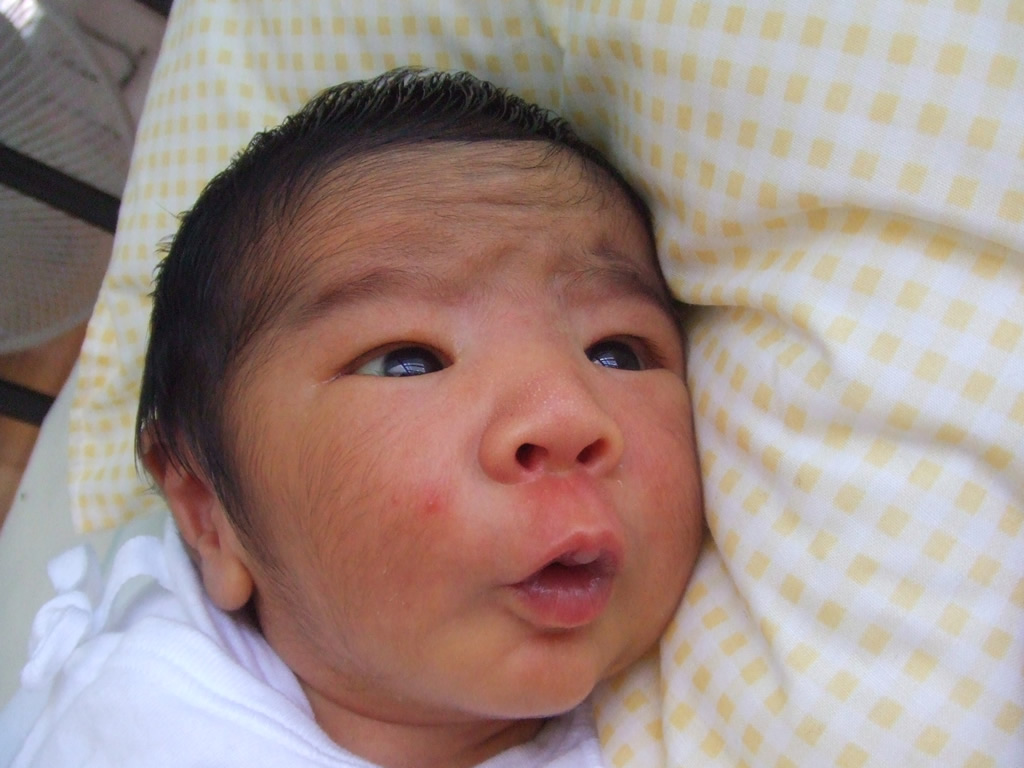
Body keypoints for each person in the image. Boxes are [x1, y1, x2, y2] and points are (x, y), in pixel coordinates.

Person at [6, 68, 704, 768]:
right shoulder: (145, 726)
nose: (567, 415)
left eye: (617, 352)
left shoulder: (704, 710)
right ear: (208, 510)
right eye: (408, 361)